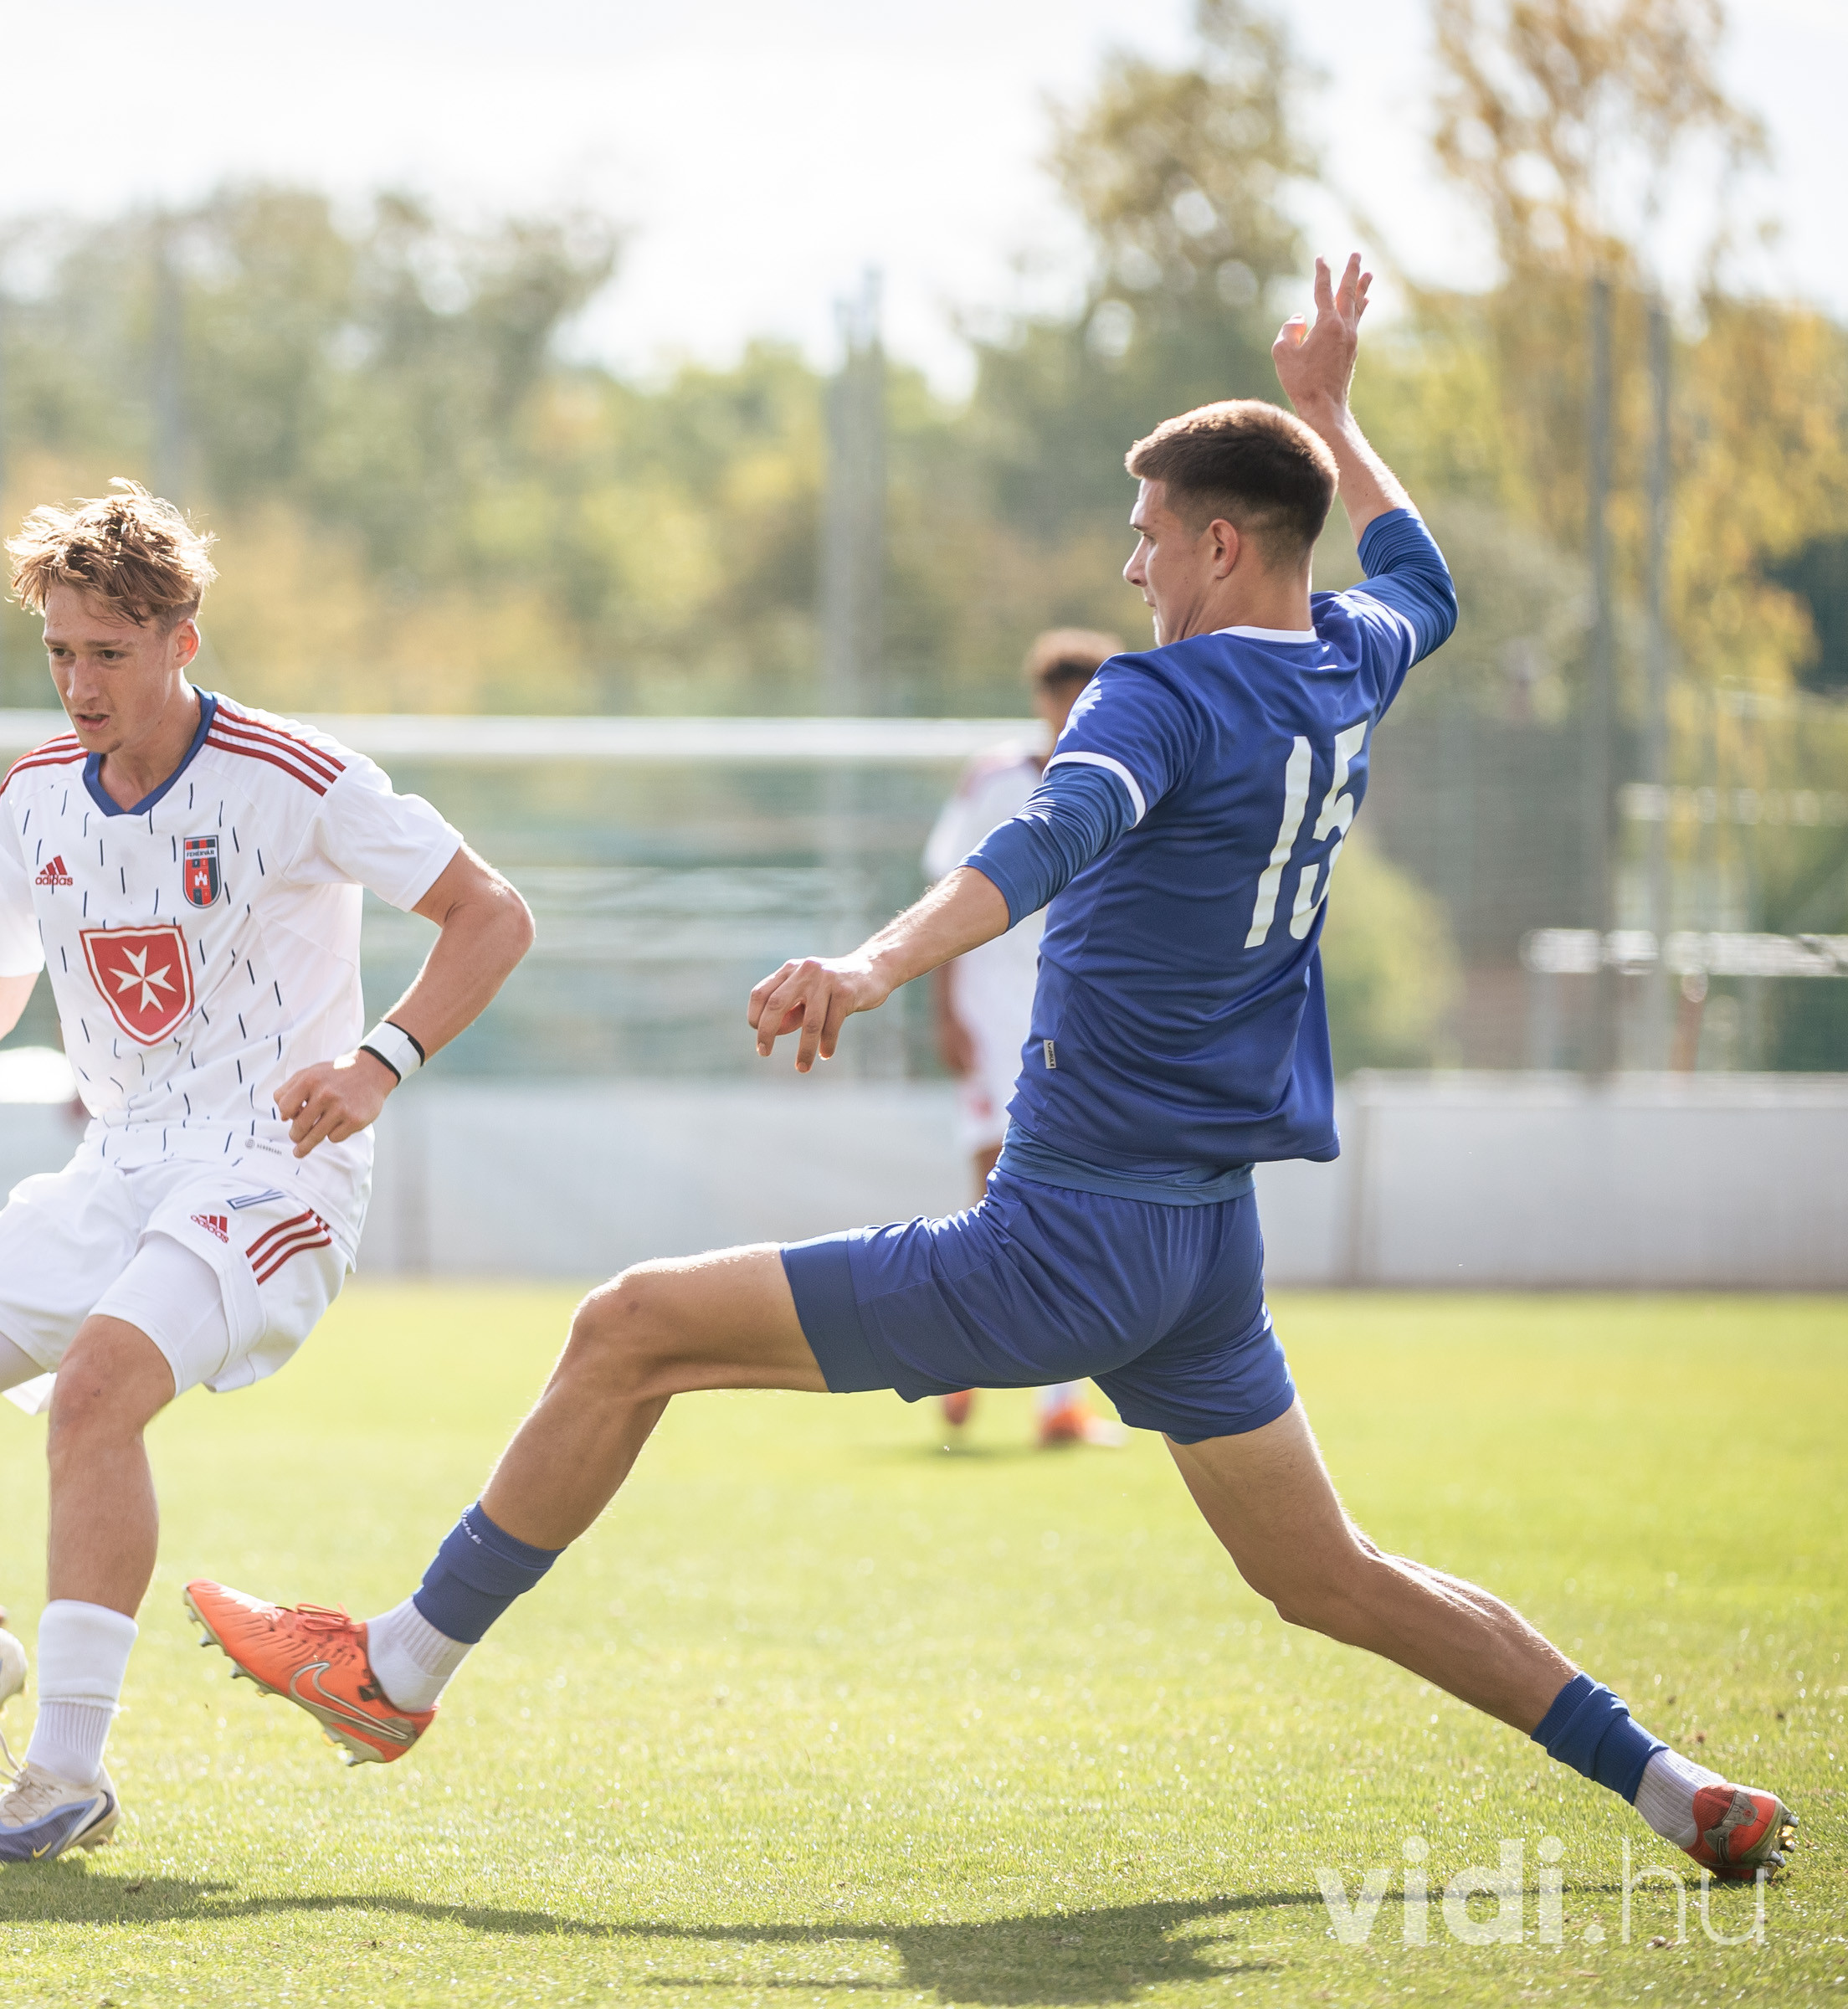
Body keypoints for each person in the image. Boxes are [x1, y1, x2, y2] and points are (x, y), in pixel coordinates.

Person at [185, 258, 1789, 1886]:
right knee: (1328, 1577)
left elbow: (1043, 841)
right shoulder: (1350, 659)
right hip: (1201, 1249)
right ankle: (1673, 1786)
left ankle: (394, 1674)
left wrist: (867, 966)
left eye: (1150, 534)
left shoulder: (1160, 694)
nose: (1132, 564)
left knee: (628, 1330)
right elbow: (1425, 575)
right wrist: (1330, 414)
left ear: (1221, 547)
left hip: (1071, 1236)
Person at [0, 481, 533, 1865]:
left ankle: (64, 1776)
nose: (79, 685)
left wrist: (378, 1065)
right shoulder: (36, 798)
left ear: (183, 640)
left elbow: (492, 913)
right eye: (60, 653)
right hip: (112, 1168)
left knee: (98, 1392)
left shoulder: (292, 775)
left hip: (276, 1172)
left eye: (109, 654)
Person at [923, 629, 1120, 1447]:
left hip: (1073, 1013)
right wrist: (943, 1008)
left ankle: (1056, 1403)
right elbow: (945, 891)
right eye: (1060, 696)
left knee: (1070, 1197)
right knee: (994, 1195)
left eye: (1087, 695)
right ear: (1042, 701)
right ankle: (959, 1354)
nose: (1071, 711)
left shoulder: (1124, 774)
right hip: (989, 1009)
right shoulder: (994, 778)